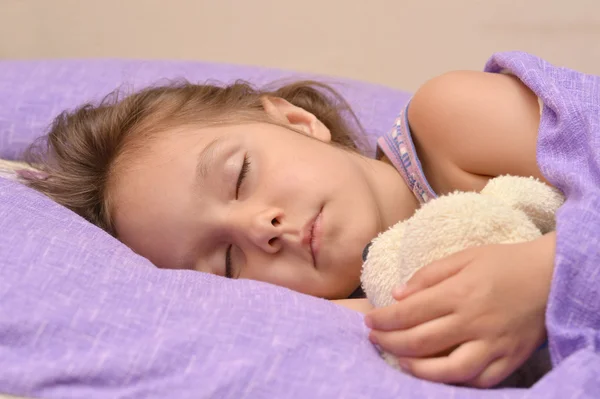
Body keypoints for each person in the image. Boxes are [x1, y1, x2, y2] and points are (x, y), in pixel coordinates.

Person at [24, 66, 557, 388]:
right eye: (227, 261)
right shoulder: (350, 316)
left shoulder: (450, 122)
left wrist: (546, 273)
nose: (262, 228)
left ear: (297, 121)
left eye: (241, 177)